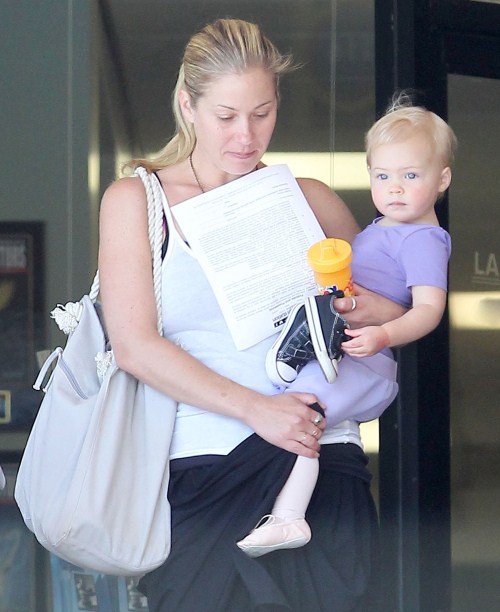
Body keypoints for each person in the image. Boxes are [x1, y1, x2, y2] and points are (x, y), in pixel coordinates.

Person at [98, 18, 404, 612]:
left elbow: (388, 318)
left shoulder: (310, 198)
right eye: (226, 116)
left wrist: (357, 303)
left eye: (262, 113)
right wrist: (256, 410)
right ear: (188, 105)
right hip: (207, 468)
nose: (246, 135)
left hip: (322, 459)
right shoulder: (137, 201)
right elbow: (134, 346)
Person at [238, 97, 456, 558]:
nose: (394, 188)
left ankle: (290, 517)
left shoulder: (422, 240)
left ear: (442, 179)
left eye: (410, 176)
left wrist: (382, 335)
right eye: (383, 176)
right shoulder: (388, 227)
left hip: (367, 359)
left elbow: (429, 310)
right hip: (352, 348)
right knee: (297, 406)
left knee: (304, 416)